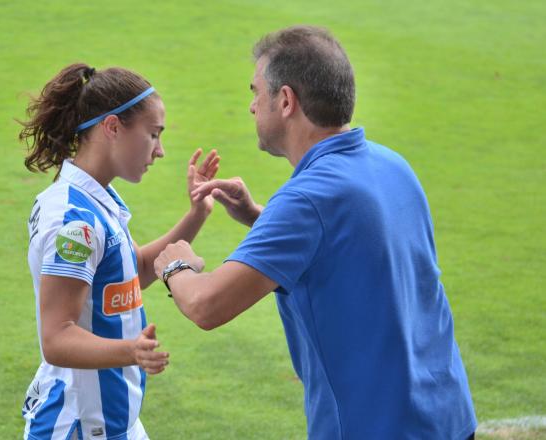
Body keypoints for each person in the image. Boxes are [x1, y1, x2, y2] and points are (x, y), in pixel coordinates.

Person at [153, 26, 477, 439]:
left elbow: (207, 306)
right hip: (447, 417)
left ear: (285, 100)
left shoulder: (306, 201)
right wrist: (258, 215)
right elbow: (352, 241)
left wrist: (176, 265)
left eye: (256, 92)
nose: (252, 107)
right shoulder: (391, 164)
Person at [18, 63, 219, 440]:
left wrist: (197, 214)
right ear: (112, 127)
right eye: (153, 134)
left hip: (112, 422)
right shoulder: (74, 223)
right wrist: (133, 352)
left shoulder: (98, 197)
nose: (160, 151)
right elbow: (57, 338)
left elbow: (135, 269)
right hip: (77, 425)